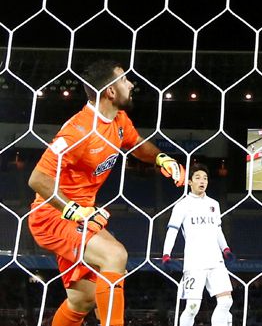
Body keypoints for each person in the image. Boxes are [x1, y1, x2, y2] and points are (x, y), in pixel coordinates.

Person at [27, 60, 186, 326]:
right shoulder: (78, 131)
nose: (131, 84)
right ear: (110, 92)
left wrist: (161, 159)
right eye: (124, 80)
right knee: (115, 256)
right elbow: (37, 178)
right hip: (53, 215)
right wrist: (73, 210)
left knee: (82, 300)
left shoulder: (118, 120)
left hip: (84, 215)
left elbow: (135, 144)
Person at [162, 163, 236, 326]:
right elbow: (172, 230)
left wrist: (226, 249)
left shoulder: (214, 204)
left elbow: (217, 229)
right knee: (192, 307)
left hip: (216, 261)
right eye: (197, 178)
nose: (202, 181)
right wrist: (166, 254)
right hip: (194, 263)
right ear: (189, 182)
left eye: (205, 178)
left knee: (226, 302)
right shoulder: (182, 205)